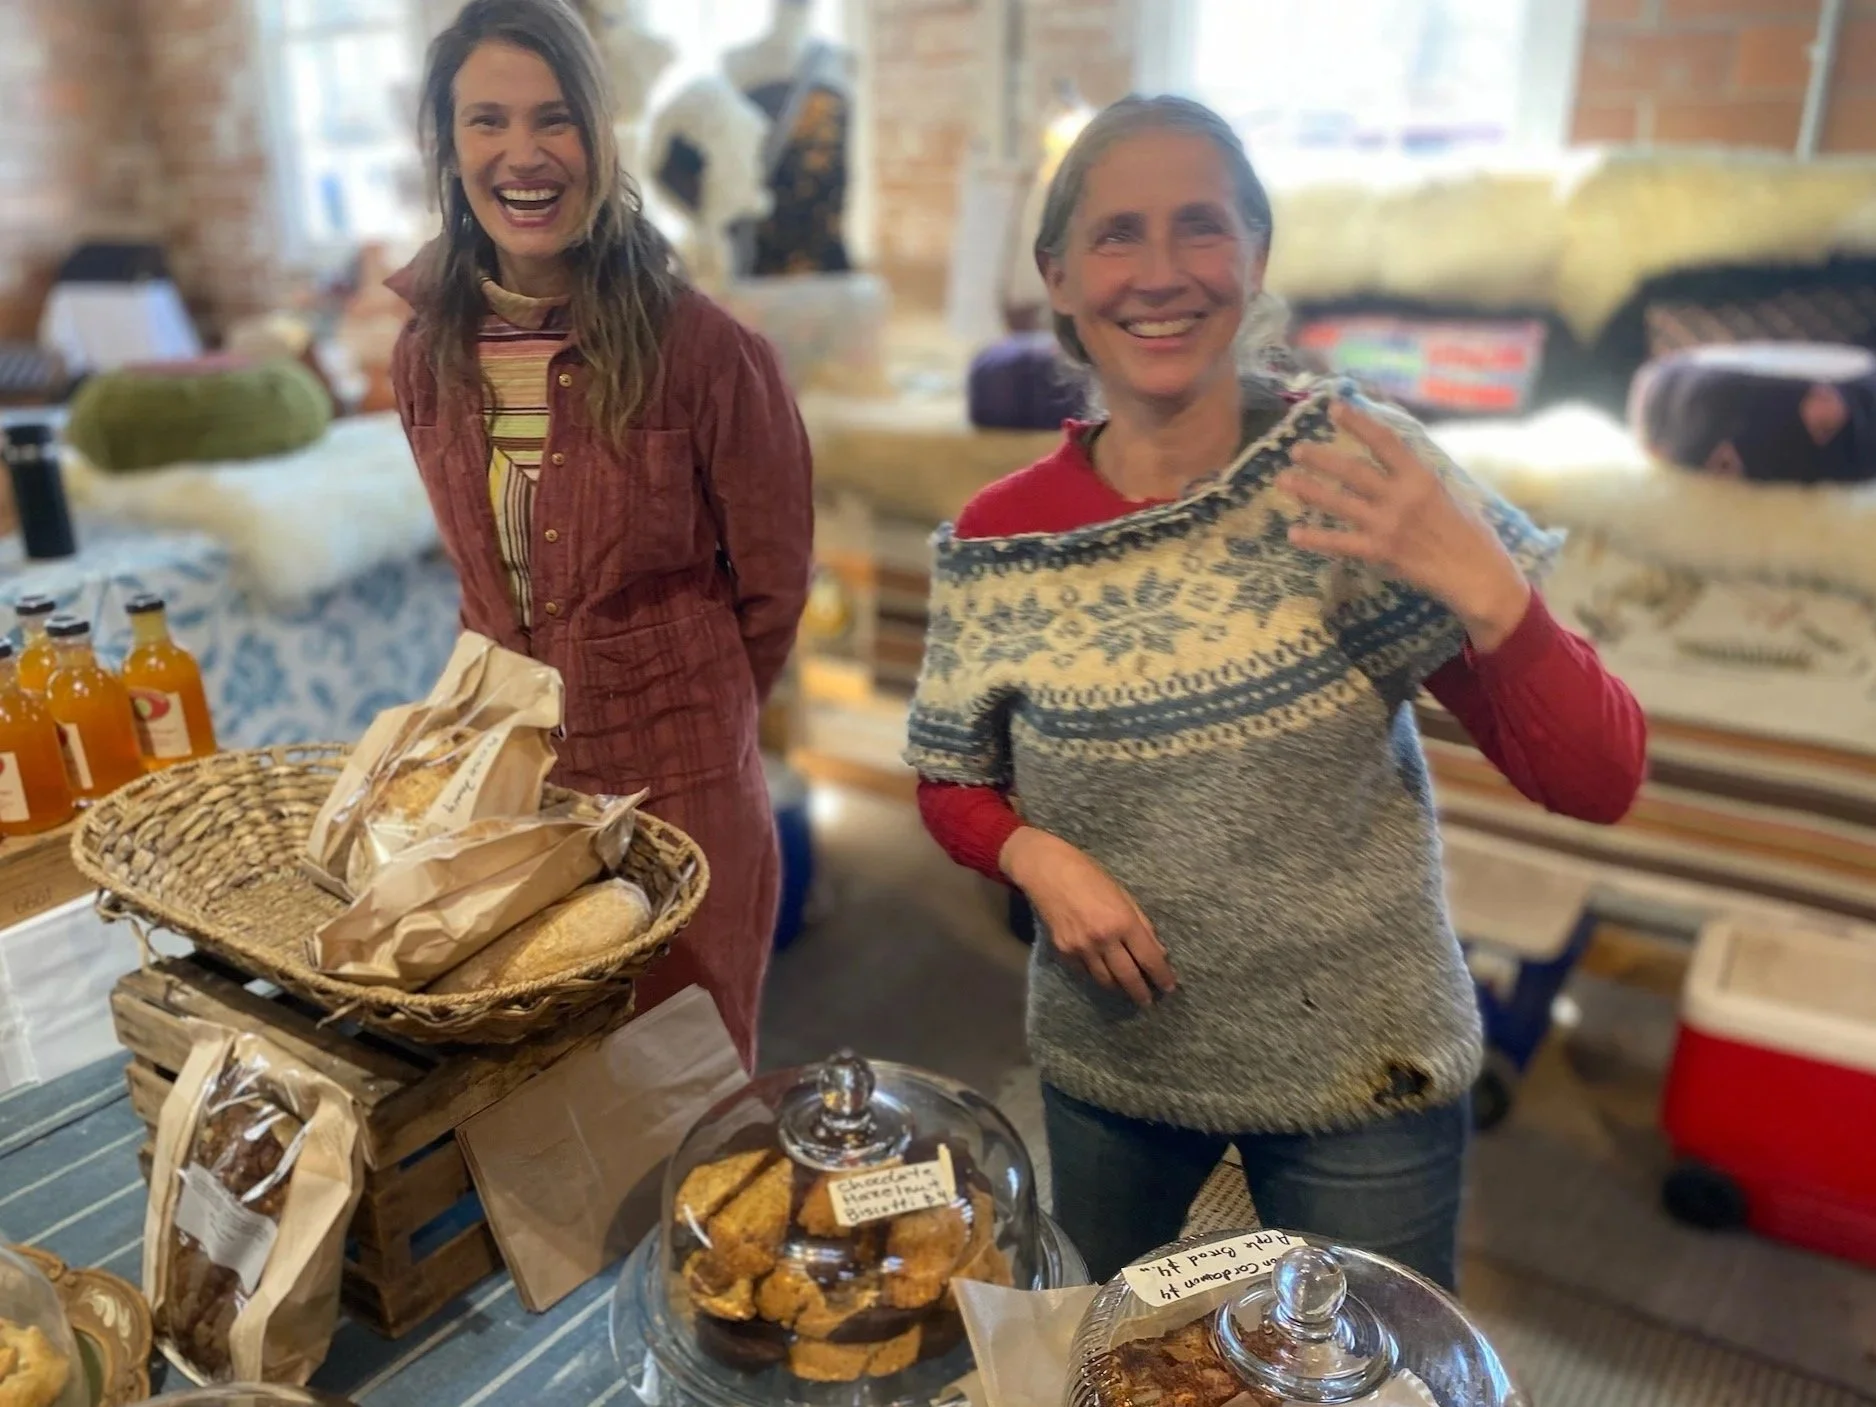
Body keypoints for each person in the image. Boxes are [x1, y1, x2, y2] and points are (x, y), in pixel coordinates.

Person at [906, 95, 1647, 1289]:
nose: (1160, 274)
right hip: (1115, 1063)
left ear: (1255, 258)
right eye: (1115, 235)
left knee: (1362, 1372)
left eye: (1199, 228)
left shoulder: (1359, 470)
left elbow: (1598, 779)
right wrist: (1035, 858)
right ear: (1055, 277)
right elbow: (951, 781)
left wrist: (1491, 589)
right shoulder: (1001, 537)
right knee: (1107, 1351)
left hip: (1363, 1067)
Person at [387, 0, 813, 1069]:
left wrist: (688, 710)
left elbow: (771, 588)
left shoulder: (708, 353)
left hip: (680, 778)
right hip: (514, 776)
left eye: (554, 119)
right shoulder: (423, 355)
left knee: (690, 1082)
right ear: (448, 145)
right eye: (487, 121)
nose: (522, 155)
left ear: (600, 134)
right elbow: (484, 582)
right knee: (540, 1090)